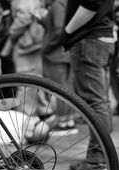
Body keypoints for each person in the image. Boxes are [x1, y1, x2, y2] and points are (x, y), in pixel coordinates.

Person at [58, 0, 115, 170]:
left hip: (89, 39)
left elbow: (91, 3)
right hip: (100, 37)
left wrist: (66, 32)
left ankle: (97, 163)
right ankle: (100, 159)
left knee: (95, 103)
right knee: (100, 102)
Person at [40, 0, 76, 132]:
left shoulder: (58, 4)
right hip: (63, 52)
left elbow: (58, 31)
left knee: (61, 90)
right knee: (65, 88)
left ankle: (64, 121)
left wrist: (45, 48)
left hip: (56, 53)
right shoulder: (64, 3)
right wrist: (43, 20)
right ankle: (67, 120)